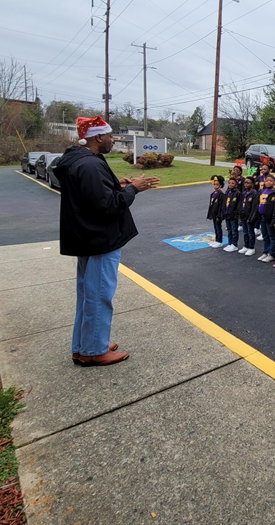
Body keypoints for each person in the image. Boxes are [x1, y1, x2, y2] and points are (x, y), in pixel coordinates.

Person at [55, 115, 159, 366]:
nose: (113, 140)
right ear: (98, 137)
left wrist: (119, 184)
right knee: (99, 293)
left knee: (87, 293)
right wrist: (134, 189)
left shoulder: (78, 160)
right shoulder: (90, 165)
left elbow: (92, 194)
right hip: (100, 239)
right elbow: (107, 206)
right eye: (110, 136)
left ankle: (85, 344)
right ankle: (94, 350)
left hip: (87, 237)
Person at [256, 174, 275, 262]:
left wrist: (274, 219)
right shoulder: (262, 191)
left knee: (272, 236)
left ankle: (271, 254)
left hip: (270, 218)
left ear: (274, 182)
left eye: (270, 181)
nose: (268, 182)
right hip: (262, 217)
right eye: (267, 181)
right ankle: (265, 252)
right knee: (265, 236)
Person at [238, 176, 259, 256]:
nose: (246, 184)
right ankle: (246, 245)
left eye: (248, 183)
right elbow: (241, 205)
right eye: (245, 183)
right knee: (245, 232)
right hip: (243, 216)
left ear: (252, 184)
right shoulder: (243, 193)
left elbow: (255, 207)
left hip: (250, 217)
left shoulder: (254, 194)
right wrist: (240, 215)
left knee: (250, 232)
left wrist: (251, 218)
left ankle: (251, 247)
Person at [222, 177, 242, 252]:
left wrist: (238, 215)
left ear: (236, 185)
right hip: (227, 214)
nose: (230, 184)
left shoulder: (237, 193)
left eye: (233, 183)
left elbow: (238, 205)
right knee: (229, 230)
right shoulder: (227, 192)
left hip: (233, 215)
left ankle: (234, 244)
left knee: (234, 230)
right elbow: (224, 203)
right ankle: (230, 243)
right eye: (229, 183)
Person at [207, 175, 226, 249]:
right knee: (215, 227)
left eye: (217, 185)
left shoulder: (221, 195)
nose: (215, 186)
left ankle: (219, 241)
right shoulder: (213, 194)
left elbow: (222, 206)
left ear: (220, 185)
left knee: (218, 227)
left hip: (218, 215)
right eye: (214, 184)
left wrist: (219, 216)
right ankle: (216, 240)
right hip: (213, 214)